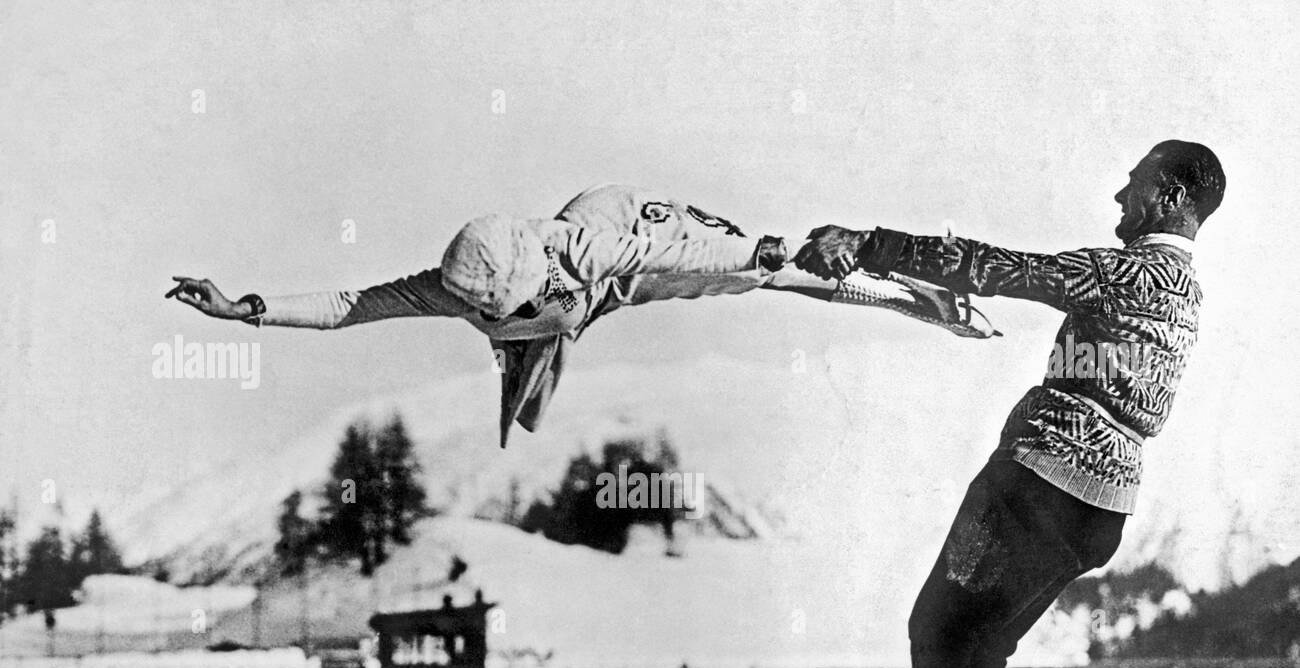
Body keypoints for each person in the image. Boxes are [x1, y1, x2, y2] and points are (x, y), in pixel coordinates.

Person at [795, 141, 1225, 668]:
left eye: (1135, 184)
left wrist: (870, 246)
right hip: (1105, 507)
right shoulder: (1188, 290)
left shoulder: (1122, 270)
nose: (1120, 195)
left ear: (1169, 197)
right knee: (985, 638)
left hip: (1040, 478)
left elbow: (998, 266)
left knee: (935, 630)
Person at [168, 184, 995, 446]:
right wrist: (248, 310)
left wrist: (767, 252)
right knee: (528, 398)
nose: (475, 316)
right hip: (569, 313)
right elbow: (354, 306)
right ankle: (537, 355)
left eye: (491, 308)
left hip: (636, 246)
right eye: (477, 312)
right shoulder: (452, 286)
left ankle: (919, 299)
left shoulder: (584, 249)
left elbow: (681, 261)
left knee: (781, 279)